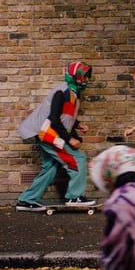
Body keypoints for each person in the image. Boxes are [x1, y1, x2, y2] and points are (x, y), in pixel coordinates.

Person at [16, 61, 96, 211]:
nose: (86, 80)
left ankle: (26, 200)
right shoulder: (63, 91)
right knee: (78, 159)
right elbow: (54, 118)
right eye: (84, 77)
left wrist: (77, 124)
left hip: (46, 132)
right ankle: (74, 197)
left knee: (50, 167)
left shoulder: (72, 91)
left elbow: (63, 115)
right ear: (75, 76)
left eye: (87, 77)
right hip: (47, 133)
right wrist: (69, 139)